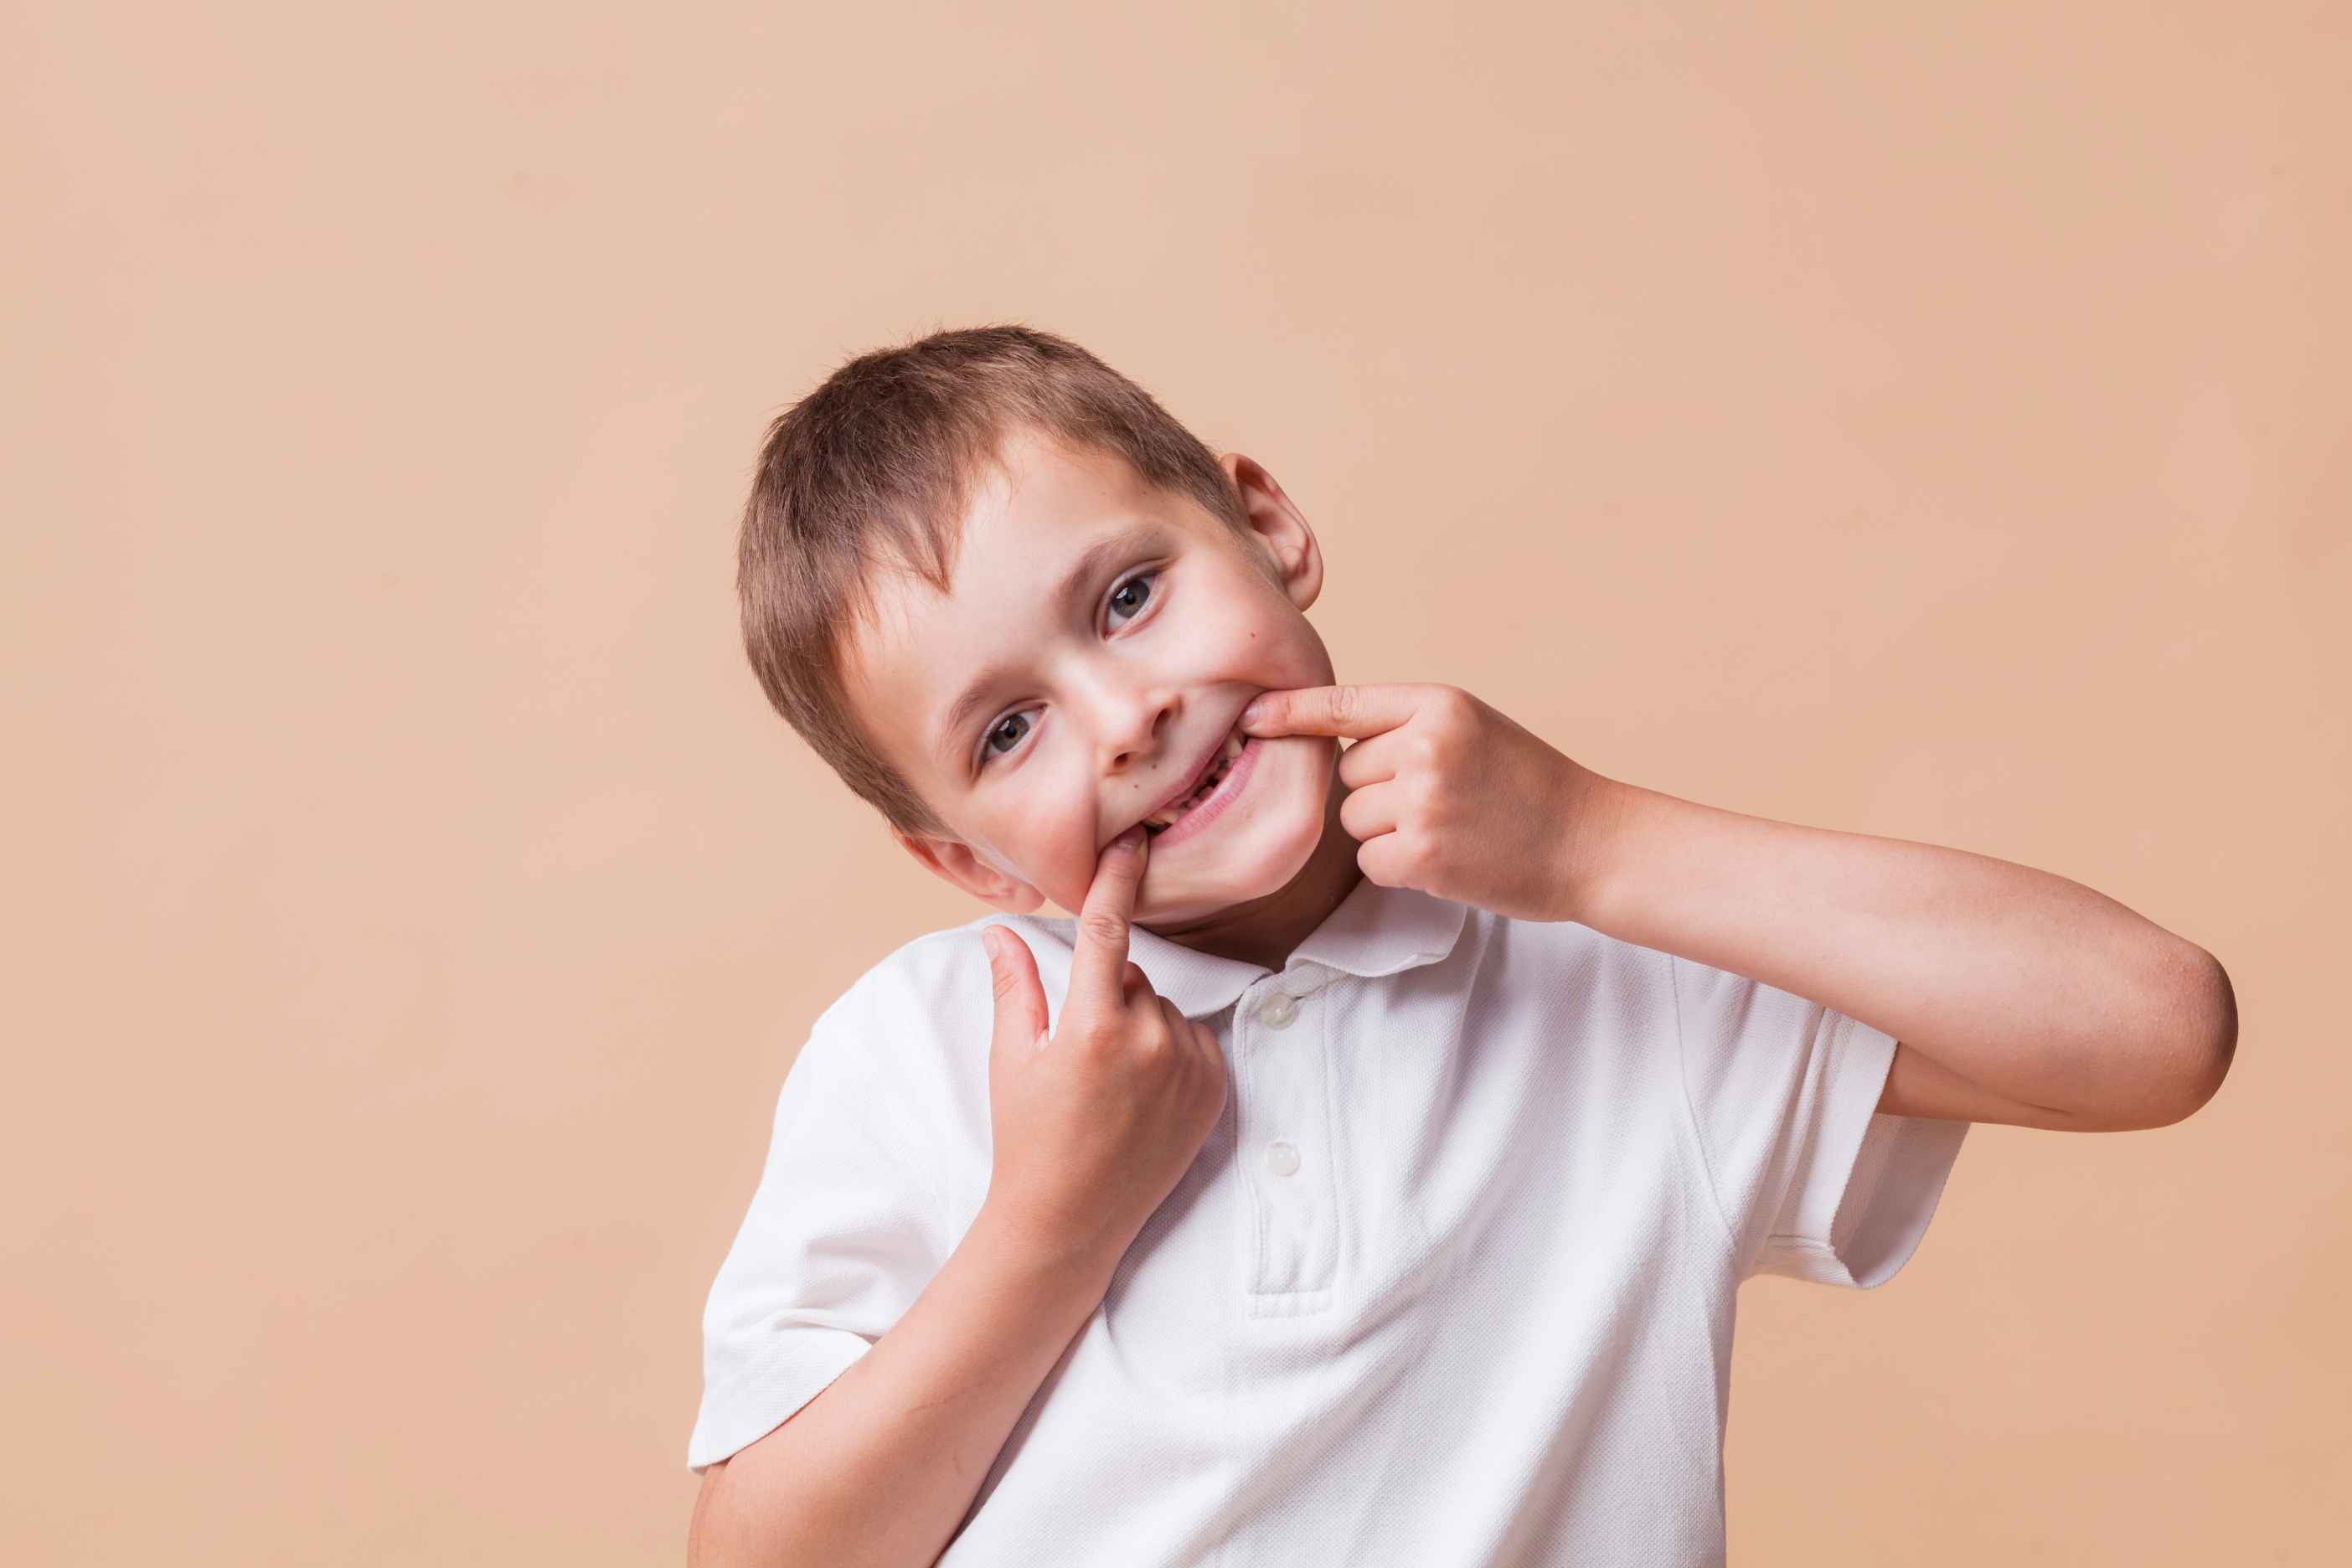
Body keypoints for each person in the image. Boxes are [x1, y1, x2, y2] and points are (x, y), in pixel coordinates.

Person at [684, 325, 2236, 1565]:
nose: (1126, 717)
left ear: (1269, 525)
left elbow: (2156, 1029)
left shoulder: (1607, 967)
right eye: (1010, 729)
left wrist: (1589, 843)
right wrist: (1051, 1218)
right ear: (965, 860)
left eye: (1133, 596)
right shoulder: (927, 1047)